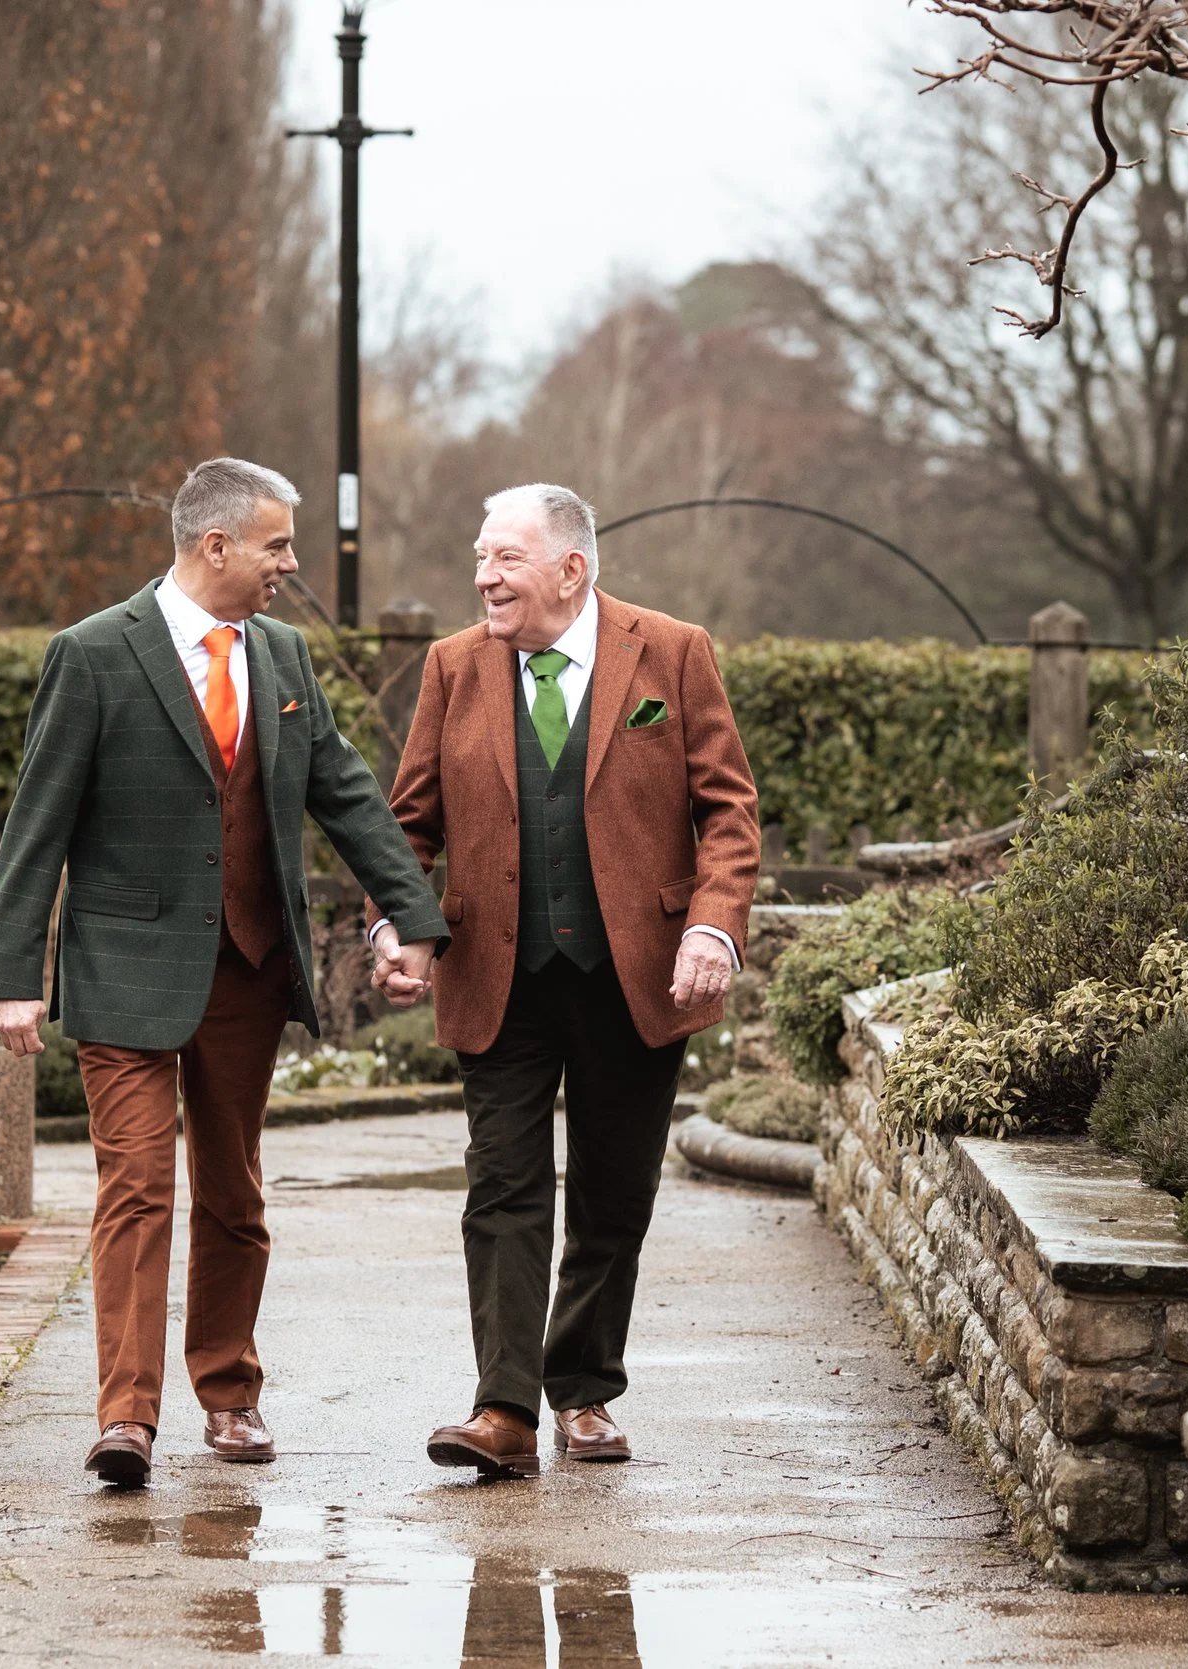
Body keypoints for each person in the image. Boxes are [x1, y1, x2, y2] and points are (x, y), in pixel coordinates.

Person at [0, 457, 447, 1489]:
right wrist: (16, 974)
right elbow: (36, 825)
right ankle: (126, 1419)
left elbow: (347, 793)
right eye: (279, 544)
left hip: (246, 967)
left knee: (233, 1193)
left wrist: (412, 917)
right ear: (216, 545)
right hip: (122, 970)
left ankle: (229, 1396)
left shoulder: (282, 656)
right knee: (137, 1189)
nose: (291, 563)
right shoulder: (94, 654)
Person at [370, 482, 760, 1475]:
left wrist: (713, 928)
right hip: (496, 973)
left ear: (570, 569)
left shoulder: (671, 653)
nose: (482, 577)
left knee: (612, 1192)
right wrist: (399, 924)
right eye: (480, 557)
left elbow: (727, 813)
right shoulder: (456, 666)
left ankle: (583, 1389)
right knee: (501, 1185)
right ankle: (503, 1408)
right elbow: (408, 825)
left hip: (635, 976)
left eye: (503, 559)